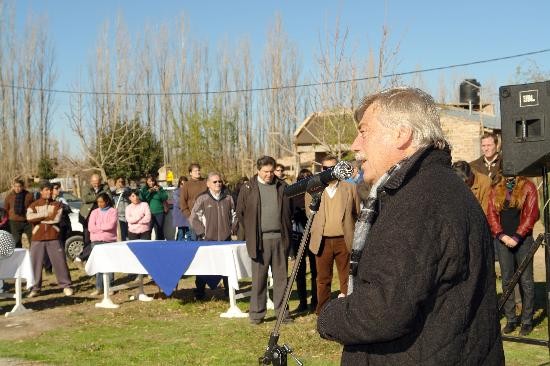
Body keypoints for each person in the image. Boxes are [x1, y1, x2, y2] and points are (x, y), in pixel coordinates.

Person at [317, 87, 503, 364]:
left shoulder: (419, 199)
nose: (355, 145)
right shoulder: (433, 186)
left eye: (364, 131)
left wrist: (328, 316)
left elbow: (382, 310)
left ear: (402, 134)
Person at [236, 156, 292, 324]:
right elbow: (241, 212)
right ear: (258, 170)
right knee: (259, 279)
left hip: (280, 239)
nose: (269, 175)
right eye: (265, 171)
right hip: (259, 241)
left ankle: (282, 314)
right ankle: (257, 314)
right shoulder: (248, 188)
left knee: (281, 279)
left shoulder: (282, 186)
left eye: (271, 171)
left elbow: (289, 212)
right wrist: (250, 234)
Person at [305, 155, 360, 314]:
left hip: (344, 240)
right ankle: (322, 311)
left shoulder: (350, 188)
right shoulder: (313, 189)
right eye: (325, 169)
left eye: (332, 168)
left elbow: (356, 213)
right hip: (322, 241)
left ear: (338, 169)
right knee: (322, 279)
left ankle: (347, 311)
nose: (328, 171)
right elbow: (310, 215)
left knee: (346, 279)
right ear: (321, 170)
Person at [487, 176, 539, 336]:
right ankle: (511, 320)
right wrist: (501, 235)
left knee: (526, 281)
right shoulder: (496, 187)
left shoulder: (528, 186)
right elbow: (491, 214)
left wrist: (517, 237)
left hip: (523, 240)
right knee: (507, 280)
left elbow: (532, 214)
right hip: (503, 241)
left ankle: (527, 320)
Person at [189, 172, 236, 299]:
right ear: (208, 184)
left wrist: (232, 229)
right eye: (214, 182)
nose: (218, 184)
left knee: (227, 267)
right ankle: (200, 292)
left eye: (219, 181)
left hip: (225, 239)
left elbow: (234, 215)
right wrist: (202, 233)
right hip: (207, 240)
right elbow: (193, 218)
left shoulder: (228, 198)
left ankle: (229, 292)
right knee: (204, 266)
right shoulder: (202, 198)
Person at [26, 182, 73, 298]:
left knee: (60, 262)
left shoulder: (58, 204)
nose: (49, 192)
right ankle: (35, 288)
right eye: (46, 190)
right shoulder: (33, 205)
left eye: (50, 190)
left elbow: (56, 219)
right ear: (41, 191)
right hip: (37, 237)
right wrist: (46, 214)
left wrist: (39, 219)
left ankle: (66, 286)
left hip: (53, 236)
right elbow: (29, 217)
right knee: (35, 264)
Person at [290, 168, 317, 313]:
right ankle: (302, 302)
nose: (305, 179)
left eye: (308, 177)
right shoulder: (293, 194)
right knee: (299, 271)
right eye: (302, 177)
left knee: (315, 270)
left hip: (313, 234)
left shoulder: (317, 192)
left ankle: (315, 301)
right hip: (298, 236)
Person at [88, 192, 118, 296]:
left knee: (110, 264)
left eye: (101, 202)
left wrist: (98, 227)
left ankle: (110, 287)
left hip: (109, 240)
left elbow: (111, 225)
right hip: (96, 241)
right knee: (98, 264)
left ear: (107, 201)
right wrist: (102, 228)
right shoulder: (94, 212)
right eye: (98, 202)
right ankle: (99, 287)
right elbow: (90, 227)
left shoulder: (113, 211)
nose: (99, 204)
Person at [78, 174, 112, 261]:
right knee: (87, 238)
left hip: (100, 217)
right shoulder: (86, 188)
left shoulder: (105, 187)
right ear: (91, 181)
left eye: (97, 183)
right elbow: (85, 199)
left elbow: (109, 198)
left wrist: (100, 196)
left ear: (100, 181)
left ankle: (97, 258)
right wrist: (100, 196)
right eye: (94, 183)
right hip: (87, 216)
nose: (96, 185)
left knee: (98, 238)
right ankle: (86, 258)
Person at [180, 163, 207, 241]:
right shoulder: (187, 185)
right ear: (190, 173)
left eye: (198, 170)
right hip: (193, 216)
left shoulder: (206, 182)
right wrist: (189, 216)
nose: (198, 172)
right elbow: (182, 202)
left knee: (206, 240)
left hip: (207, 216)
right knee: (194, 239)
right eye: (195, 171)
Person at [3, 179, 33, 248]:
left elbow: (33, 207)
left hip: (27, 221)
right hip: (14, 222)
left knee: (33, 240)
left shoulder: (28, 195)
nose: (17, 188)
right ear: (13, 187)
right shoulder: (9, 196)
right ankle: (18, 257)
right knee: (16, 241)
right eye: (15, 186)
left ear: (23, 187)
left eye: (19, 186)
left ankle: (33, 256)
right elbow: (6, 209)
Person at [139, 175, 168, 240]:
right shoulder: (144, 189)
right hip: (148, 213)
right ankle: (148, 245)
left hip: (159, 212)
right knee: (148, 230)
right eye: (149, 181)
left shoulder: (159, 188)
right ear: (146, 182)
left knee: (160, 229)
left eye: (153, 181)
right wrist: (149, 192)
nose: (151, 183)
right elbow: (142, 198)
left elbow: (165, 197)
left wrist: (158, 191)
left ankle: (160, 245)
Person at [112, 177, 130, 241]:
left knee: (128, 236)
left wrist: (123, 189)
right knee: (121, 236)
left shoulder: (126, 191)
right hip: (119, 217)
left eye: (122, 182)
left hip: (128, 217)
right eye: (119, 182)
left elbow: (127, 190)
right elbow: (111, 191)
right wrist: (116, 190)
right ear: (115, 183)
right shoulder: (112, 192)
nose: (121, 183)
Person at [172, 176, 191, 240]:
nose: (183, 186)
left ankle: (190, 248)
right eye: (181, 184)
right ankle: (178, 247)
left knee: (189, 233)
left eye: (185, 184)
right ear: (179, 184)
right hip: (179, 215)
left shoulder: (189, 191)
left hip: (188, 214)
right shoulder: (176, 192)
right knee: (181, 232)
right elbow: (179, 203)